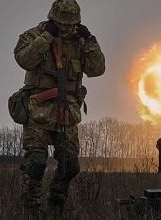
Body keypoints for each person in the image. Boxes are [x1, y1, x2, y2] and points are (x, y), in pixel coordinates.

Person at [13, 0, 105, 216]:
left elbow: (98, 69)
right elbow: (24, 60)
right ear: (52, 18)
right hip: (38, 113)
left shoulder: (81, 42)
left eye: (70, 24)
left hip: (68, 113)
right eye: (60, 23)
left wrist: (90, 40)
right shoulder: (34, 35)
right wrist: (46, 37)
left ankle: (56, 204)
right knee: (36, 163)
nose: (65, 27)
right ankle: (31, 210)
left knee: (71, 166)